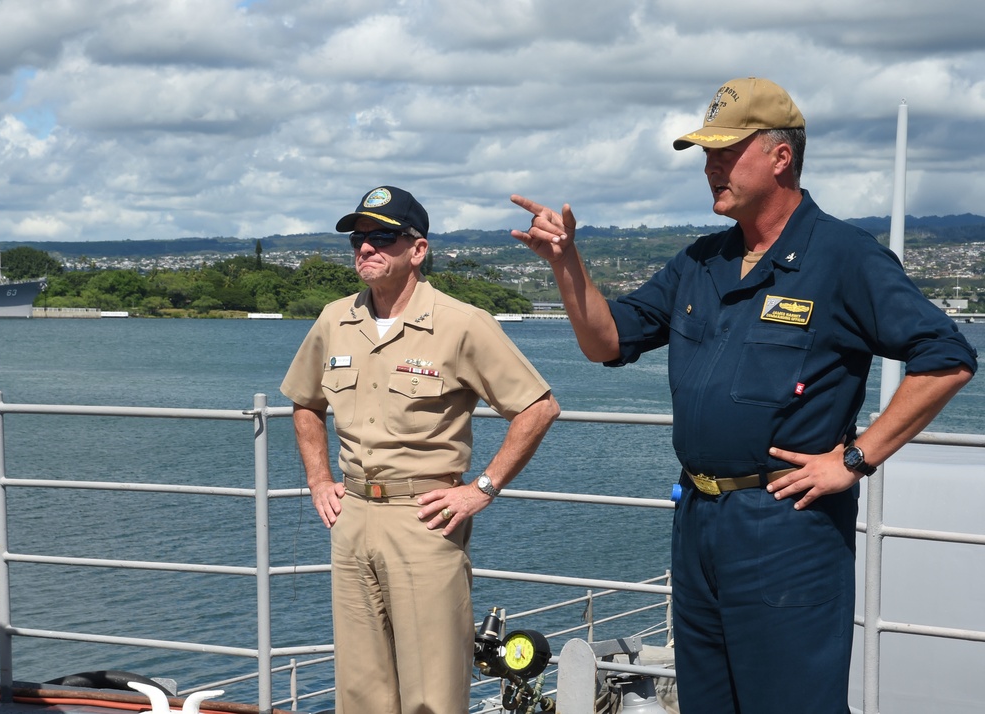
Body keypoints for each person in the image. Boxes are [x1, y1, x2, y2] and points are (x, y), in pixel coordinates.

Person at [510, 77, 977, 713]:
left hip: (785, 525)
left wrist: (855, 460)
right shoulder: (700, 261)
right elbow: (605, 341)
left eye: (726, 153)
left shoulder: (844, 258)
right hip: (699, 520)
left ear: (780, 156)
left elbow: (946, 358)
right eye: (706, 155)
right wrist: (566, 264)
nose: (710, 168)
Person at [281, 185, 559, 714]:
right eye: (359, 239)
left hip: (425, 521)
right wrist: (320, 481)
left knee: (432, 692)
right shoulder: (335, 319)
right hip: (352, 517)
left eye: (383, 237)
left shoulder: (462, 323)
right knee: (360, 691)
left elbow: (538, 407)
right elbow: (304, 402)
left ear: (418, 249)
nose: (366, 248)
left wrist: (480, 490)